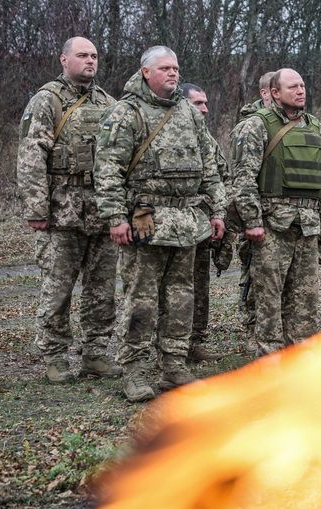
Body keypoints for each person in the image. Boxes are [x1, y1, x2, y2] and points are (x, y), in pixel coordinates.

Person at [94, 46, 227, 402]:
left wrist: (217, 211)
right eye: (165, 68)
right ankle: (135, 370)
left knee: (182, 297)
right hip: (146, 221)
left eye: (176, 68)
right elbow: (107, 171)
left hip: (186, 221)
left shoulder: (189, 112)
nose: (173, 74)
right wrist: (115, 217)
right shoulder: (126, 113)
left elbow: (210, 167)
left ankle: (174, 365)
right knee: (141, 299)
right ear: (146, 72)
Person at [17, 36, 121, 383]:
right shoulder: (47, 100)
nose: (90, 61)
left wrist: (119, 208)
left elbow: (120, 156)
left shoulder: (109, 103)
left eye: (94, 55)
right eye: (82, 55)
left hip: (101, 211)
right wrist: (36, 207)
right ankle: (55, 356)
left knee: (102, 289)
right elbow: (31, 155)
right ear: (64, 59)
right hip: (61, 210)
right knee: (58, 288)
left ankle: (95, 353)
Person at [230, 68, 321, 355]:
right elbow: (243, 178)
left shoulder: (314, 126)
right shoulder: (257, 125)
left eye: (302, 86)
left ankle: (300, 355)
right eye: (293, 87)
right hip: (272, 226)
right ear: (274, 93)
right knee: (269, 295)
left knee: (306, 296)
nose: (300, 91)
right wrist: (252, 220)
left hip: (308, 225)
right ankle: (270, 355)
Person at [179, 82, 230, 361]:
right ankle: (170, 344)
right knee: (175, 286)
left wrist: (218, 212)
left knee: (200, 282)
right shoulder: (170, 133)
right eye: (198, 103)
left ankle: (195, 341)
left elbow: (221, 176)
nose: (205, 109)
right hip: (174, 222)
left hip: (202, 222)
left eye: (206, 103)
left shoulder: (207, 138)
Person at [230, 71, 275, 333]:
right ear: (265, 93)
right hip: (257, 211)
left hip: (282, 214)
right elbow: (242, 175)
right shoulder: (250, 126)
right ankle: (251, 323)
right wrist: (250, 216)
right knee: (253, 272)